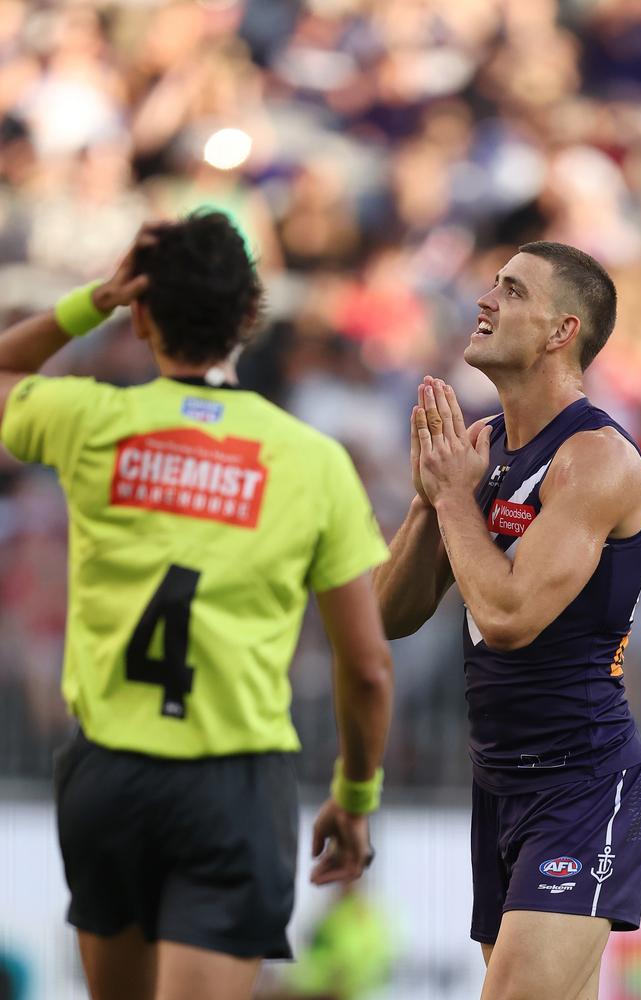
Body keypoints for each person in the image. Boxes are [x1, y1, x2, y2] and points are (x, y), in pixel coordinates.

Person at [0, 212, 393, 1000]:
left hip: (107, 774)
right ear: (252, 318)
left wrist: (93, 301)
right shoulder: (311, 461)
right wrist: (355, 798)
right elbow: (369, 669)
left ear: (142, 314)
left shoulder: (90, 420)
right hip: (231, 782)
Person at [374, 241, 641, 1000]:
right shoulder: (477, 448)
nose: (486, 299)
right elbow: (387, 613)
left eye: (513, 290)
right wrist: (435, 500)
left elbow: (509, 617)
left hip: (583, 783)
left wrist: (454, 499)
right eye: (491, 283)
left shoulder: (595, 459)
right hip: (498, 780)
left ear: (563, 331)